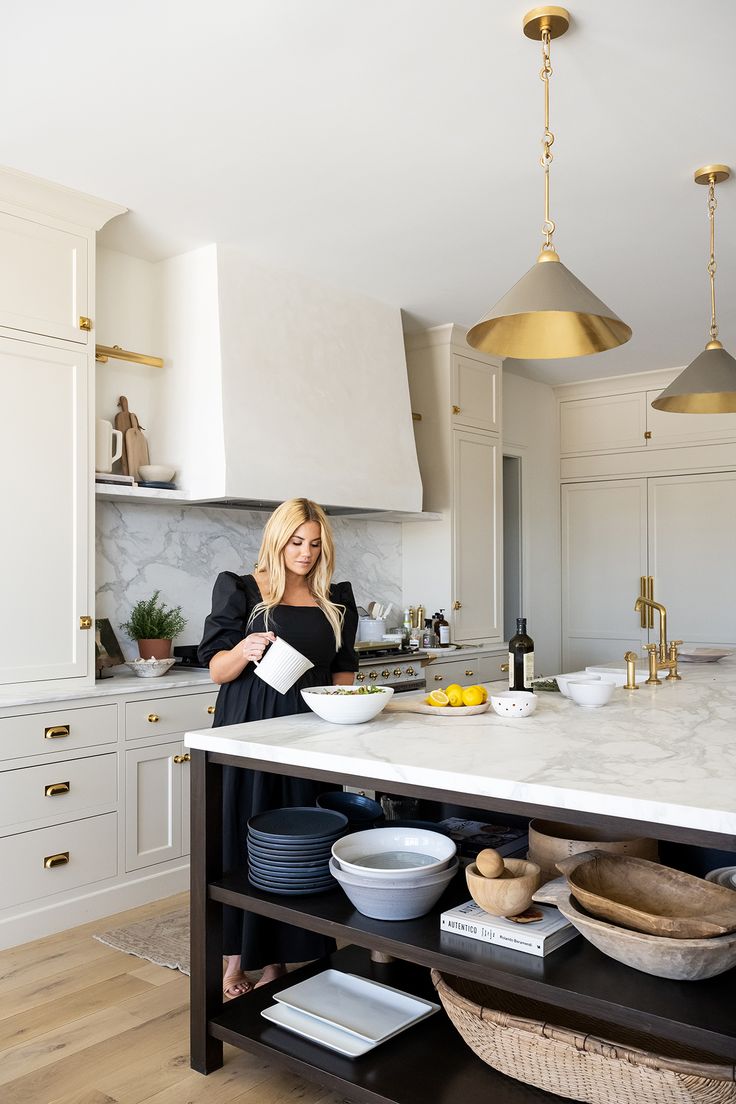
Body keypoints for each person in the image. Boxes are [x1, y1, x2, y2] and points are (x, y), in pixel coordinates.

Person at [198, 497, 358, 999]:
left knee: (303, 843)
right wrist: (242, 650)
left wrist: (348, 720)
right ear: (277, 539)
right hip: (248, 728)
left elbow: (343, 670)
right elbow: (216, 670)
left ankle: (280, 961)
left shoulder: (336, 598)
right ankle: (232, 964)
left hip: (310, 731)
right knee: (244, 837)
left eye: (314, 544)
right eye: (296, 542)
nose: (306, 553)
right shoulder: (242, 588)